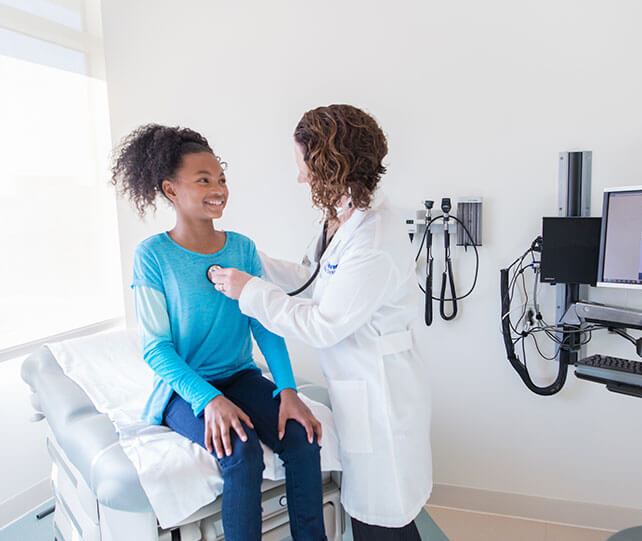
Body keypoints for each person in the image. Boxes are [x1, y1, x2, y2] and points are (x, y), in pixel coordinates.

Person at [212, 105, 432, 540]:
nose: (300, 178)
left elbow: (323, 323)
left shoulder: (372, 239)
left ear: (329, 165)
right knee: (373, 515)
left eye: (303, 167)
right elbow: (317, 282)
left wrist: (249, 293)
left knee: (383, 521)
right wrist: (255, 266)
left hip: (380, 393)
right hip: (359, 385)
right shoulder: (344, 219)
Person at [110, 124, 326, 541]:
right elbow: (156, 348)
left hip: (240, 375)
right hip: (185, 388)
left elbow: (263, 324)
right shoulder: (152, 256)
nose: (219, 189)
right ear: (171, 190)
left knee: (301, 437)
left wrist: (288, 390)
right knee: (240, 452)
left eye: (221, 178)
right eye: (203, 180)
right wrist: (209, 400)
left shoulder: (241, 247)